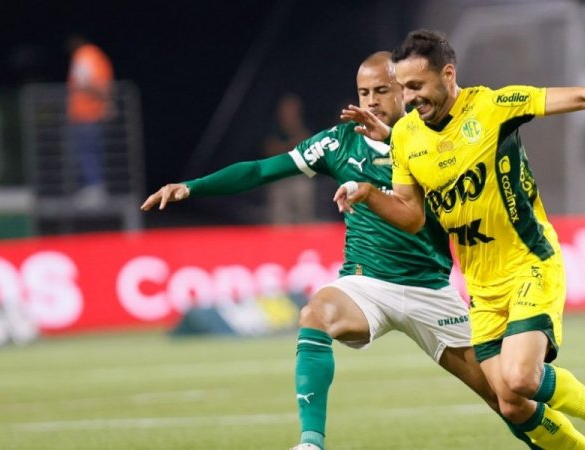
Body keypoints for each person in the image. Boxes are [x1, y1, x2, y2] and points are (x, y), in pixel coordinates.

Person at [336, 29, 585, 450]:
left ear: (448, 74)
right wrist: (368, 194)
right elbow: (412, 215)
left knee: (522, 377)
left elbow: (580, 96)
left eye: (417, 85)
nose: (410, 97)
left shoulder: (493, 107)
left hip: (529, 263)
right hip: (481, 285)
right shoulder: (405, 136)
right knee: (511, 403)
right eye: (404, 88)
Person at [141, 52, 507, 450]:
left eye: (381, 90)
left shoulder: (431, 137)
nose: (371, 101)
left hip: (430, 289)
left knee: (506, 398)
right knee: (314, 314)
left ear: (404, 90)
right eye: (363, 92)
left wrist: (395, 139)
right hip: (366, 285)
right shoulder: (337, 142)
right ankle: (311, 443)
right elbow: (262, 170)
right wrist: (192, 187)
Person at [65, 34, 114, 209]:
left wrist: (102, 98)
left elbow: (84, 82)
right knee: (93, 151)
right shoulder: (98, 55)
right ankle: (94, 188)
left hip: (84, 115)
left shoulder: (83, 55)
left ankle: (94, 190)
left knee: (87, 153)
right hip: (92, 113)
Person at [262, 93, 314, 224]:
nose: (290, 112)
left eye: (293, 109)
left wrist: (294, 129)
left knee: (303, 190)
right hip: (279, 177)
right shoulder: (273, 128)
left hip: (299, 176)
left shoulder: (301, 126)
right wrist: (289, 147)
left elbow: (308, 149)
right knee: (279, 217)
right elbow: (270, 150)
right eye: (287, 109)